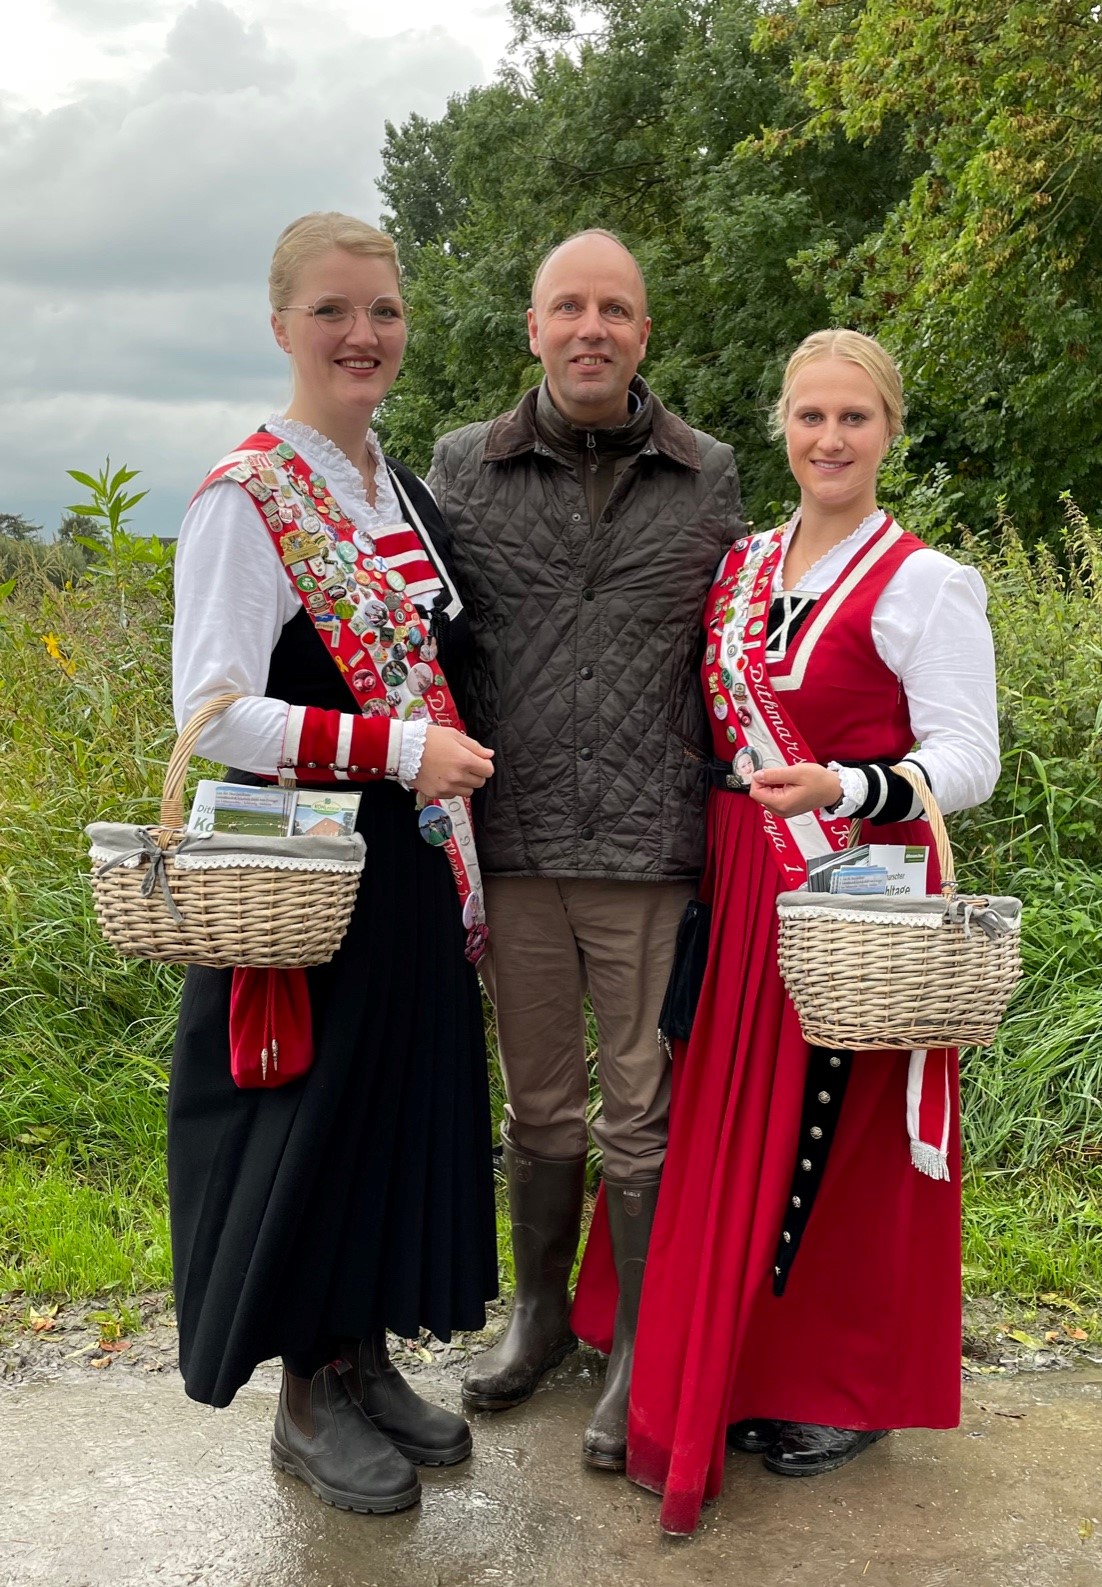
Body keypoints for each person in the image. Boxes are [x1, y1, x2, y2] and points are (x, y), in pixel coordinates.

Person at [571, 329, 1000, 1533]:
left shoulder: (925, 582)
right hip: (739, 877)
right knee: (720, 1112)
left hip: (854, 888)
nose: (830, 438)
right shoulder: (744, 563)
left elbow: (970, 759)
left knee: (841, 1136)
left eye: (854, 418)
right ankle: (722, 1352)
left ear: (889, 431)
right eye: (811, 416)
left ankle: (840, 1385)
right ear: (783, 425)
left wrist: (848, 786)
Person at [169, 212, 498, 1516]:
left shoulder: (396, 490)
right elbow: (211, 715)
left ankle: (363, 1360)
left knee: (387, 1114)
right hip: (306, 875)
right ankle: (305, 1398)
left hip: (407, 865)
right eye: (332, 312)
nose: (363, 335)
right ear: (281, 327)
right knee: (308, 1125)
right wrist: (399, 747)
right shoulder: (245, 497)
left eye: (384, 311)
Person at [428, 229, 746, 1468]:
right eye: (569, 306)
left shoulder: (708, 474)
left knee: (642, 1109)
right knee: (540, 1100)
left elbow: (741, 651)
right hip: (512, 840)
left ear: (644, 333)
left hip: (650, 846)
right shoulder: (462, 465)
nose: (591, 328)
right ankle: (541, 1317)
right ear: (534, 327)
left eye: (615, 309)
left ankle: (638, 1348)